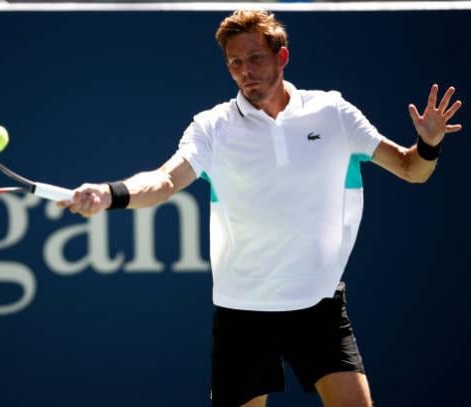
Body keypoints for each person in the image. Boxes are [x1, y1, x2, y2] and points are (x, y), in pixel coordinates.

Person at [58, 10, 463, 407]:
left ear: (281, 57)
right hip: (243, 313)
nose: (245, 71)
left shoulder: (334, 113)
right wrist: (112, 193)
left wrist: (429, 144)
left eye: (255, 58)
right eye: (235, 63)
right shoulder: (212, 127)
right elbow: (164, 181)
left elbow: (413, 170)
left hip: (318, 306)